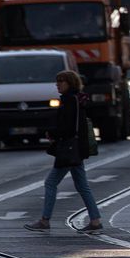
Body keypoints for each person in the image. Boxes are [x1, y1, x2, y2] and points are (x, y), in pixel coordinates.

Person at [24, 70, 103, 233]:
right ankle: (95, 221)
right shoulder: (75, 99)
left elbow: (68, 127)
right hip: (75, 149)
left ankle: (45, 220)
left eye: (61, 81)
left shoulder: (70, 100)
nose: (57, 84)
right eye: (57, 81)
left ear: (70, 83)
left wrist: (53, 133)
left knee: (50, 182)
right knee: (82, 186)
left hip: (69, 149)